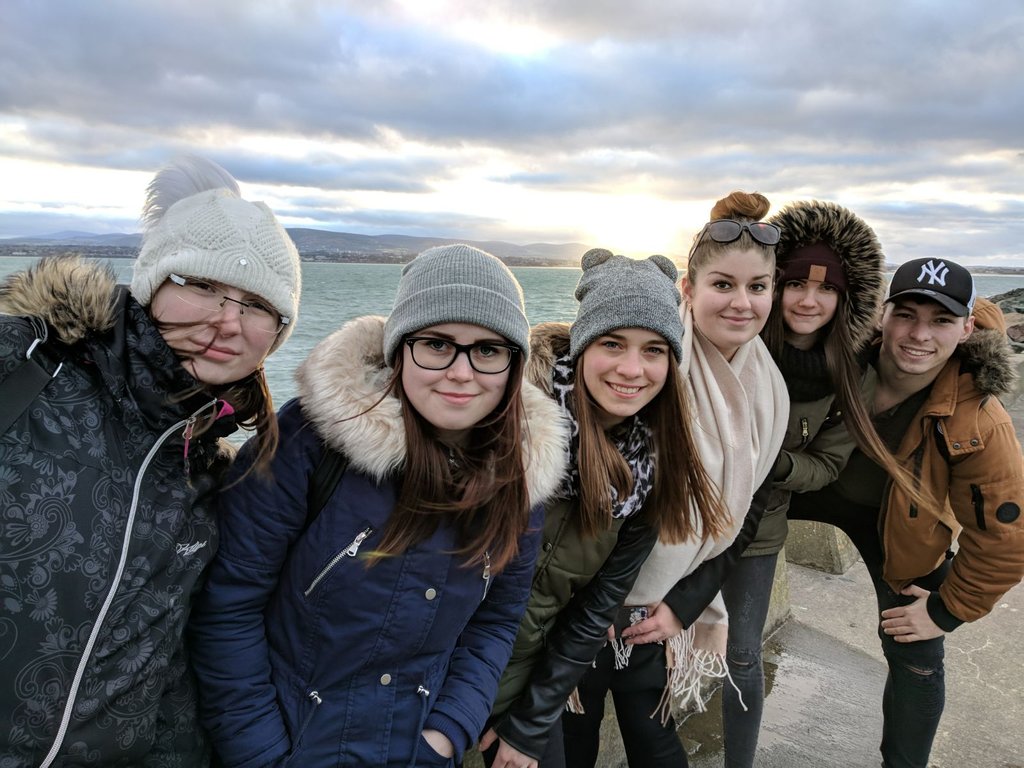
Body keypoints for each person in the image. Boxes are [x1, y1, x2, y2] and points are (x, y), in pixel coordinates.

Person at [189, 244, 569, 768]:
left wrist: (447, 731)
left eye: (487, 350)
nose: (462, 372)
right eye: (436, 344)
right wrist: (262, 753)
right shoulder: (310, 442)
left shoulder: (520, 474)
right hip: (292, 744)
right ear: (398, 351)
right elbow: (229, 605)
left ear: (513, 364)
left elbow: (497, 621)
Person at [0, 155, 301, 767]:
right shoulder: (23, 369)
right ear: (153, 282)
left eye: (256, 305)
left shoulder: (211, 473)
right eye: (203, 285)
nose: (227, 321)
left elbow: (164, 672)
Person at [560, 191, 790, 767]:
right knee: (572, 741)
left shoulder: (770, 390)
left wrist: (682, 605)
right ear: (687, 288)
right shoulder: (653, 369)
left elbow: (747, 512)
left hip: (662, 608)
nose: (741, 303)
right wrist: (594, 604)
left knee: (656, 740)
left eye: (758, 287)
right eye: (723, 284)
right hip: (587, 602)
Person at [480, 249, 729, 768]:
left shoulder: (651, 468)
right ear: (582, 346)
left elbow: (594, 610)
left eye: (653, 350)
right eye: (612, 343)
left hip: (527, 676)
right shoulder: (511, 424)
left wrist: (529, 722)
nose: (632, 369)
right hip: (449, 666)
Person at [788, 256, 1024, 768]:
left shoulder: (980, 418)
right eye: (906, 315)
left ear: (966, 329)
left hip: (896, 523)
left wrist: (946, 610)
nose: (919, 335)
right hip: (804, 485)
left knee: (916, 654)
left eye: (940, 320)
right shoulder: (839, 356)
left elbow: (1005, 539)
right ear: (882, 315)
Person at [716, 199, 925, 767]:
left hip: (761, 526)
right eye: (795, 284)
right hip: (690, 517)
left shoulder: (854, 371)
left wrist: (770, 463)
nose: (809, 300)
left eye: (827, 288)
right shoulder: (734, 342)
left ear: (846, 298)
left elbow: (827, 466)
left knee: (742, 656)